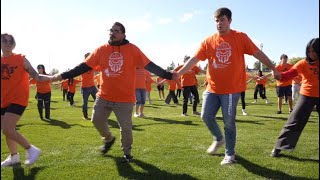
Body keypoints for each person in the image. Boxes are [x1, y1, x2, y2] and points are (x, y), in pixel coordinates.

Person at [50, 22, 174, 163]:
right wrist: (60, 76)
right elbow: (82, 67)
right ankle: (108, 139)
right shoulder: (101, 50)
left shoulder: (132, 50)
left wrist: (168, 75)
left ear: (123, 34)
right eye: (111, 30)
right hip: (104, 96)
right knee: (96, 120)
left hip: (125, 98)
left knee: (126, 128)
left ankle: (127, 153)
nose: (112, 33)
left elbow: (150, 65)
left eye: (116, 31)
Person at [174, 8, 280, 165]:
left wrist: (273, 67)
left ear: (230, 21)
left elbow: (258, 53)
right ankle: (219, 138)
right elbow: (195, 59)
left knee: (229, 122)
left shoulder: (240, 37)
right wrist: (179, 72)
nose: (219, 23)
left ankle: (230, 154)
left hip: (231, 89)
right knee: (205, 116)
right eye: (216, 21)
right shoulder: (208, 41)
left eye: (222, 20)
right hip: (212, 88)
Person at [1, 33, 51, 167]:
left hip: (18, 99)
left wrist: (54, 77)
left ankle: (31, 149)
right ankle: (14, 157)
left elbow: (36, 75)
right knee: (7, 129)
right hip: (3, 100)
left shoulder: (21, 59)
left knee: (7, 128)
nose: (7, 43)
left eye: (10, 41)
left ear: (14, 44)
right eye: (4, 40)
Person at [271, 38, 319, 157]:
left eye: (314, 51)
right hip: (307, 95)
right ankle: (278, 147)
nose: (311, 54)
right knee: (294, 121)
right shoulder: (302, 63)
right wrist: (278, 76)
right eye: (309, 51)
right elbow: (288, 75)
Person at [80, 52, 98, 120]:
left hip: (92, 86)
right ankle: (85, 116)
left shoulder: (93, 65)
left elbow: (100, 67)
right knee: (85, 103)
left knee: (98, 101)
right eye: (88, 56)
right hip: (85, 87)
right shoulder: (82, 66)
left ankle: (97, 114)